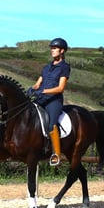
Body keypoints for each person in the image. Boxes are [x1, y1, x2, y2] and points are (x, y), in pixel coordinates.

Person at [27, 37, 70, 166]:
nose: (52, 50)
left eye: (55, 48)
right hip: (41, 99)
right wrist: (31, 89)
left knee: (52, 125)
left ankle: (56, 154)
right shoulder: (46, 68)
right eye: (51, 48)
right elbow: (37, 84)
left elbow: (60, 88)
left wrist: (44, 91)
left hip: (54, 101)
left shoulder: (64, 67)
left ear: (62, 51)